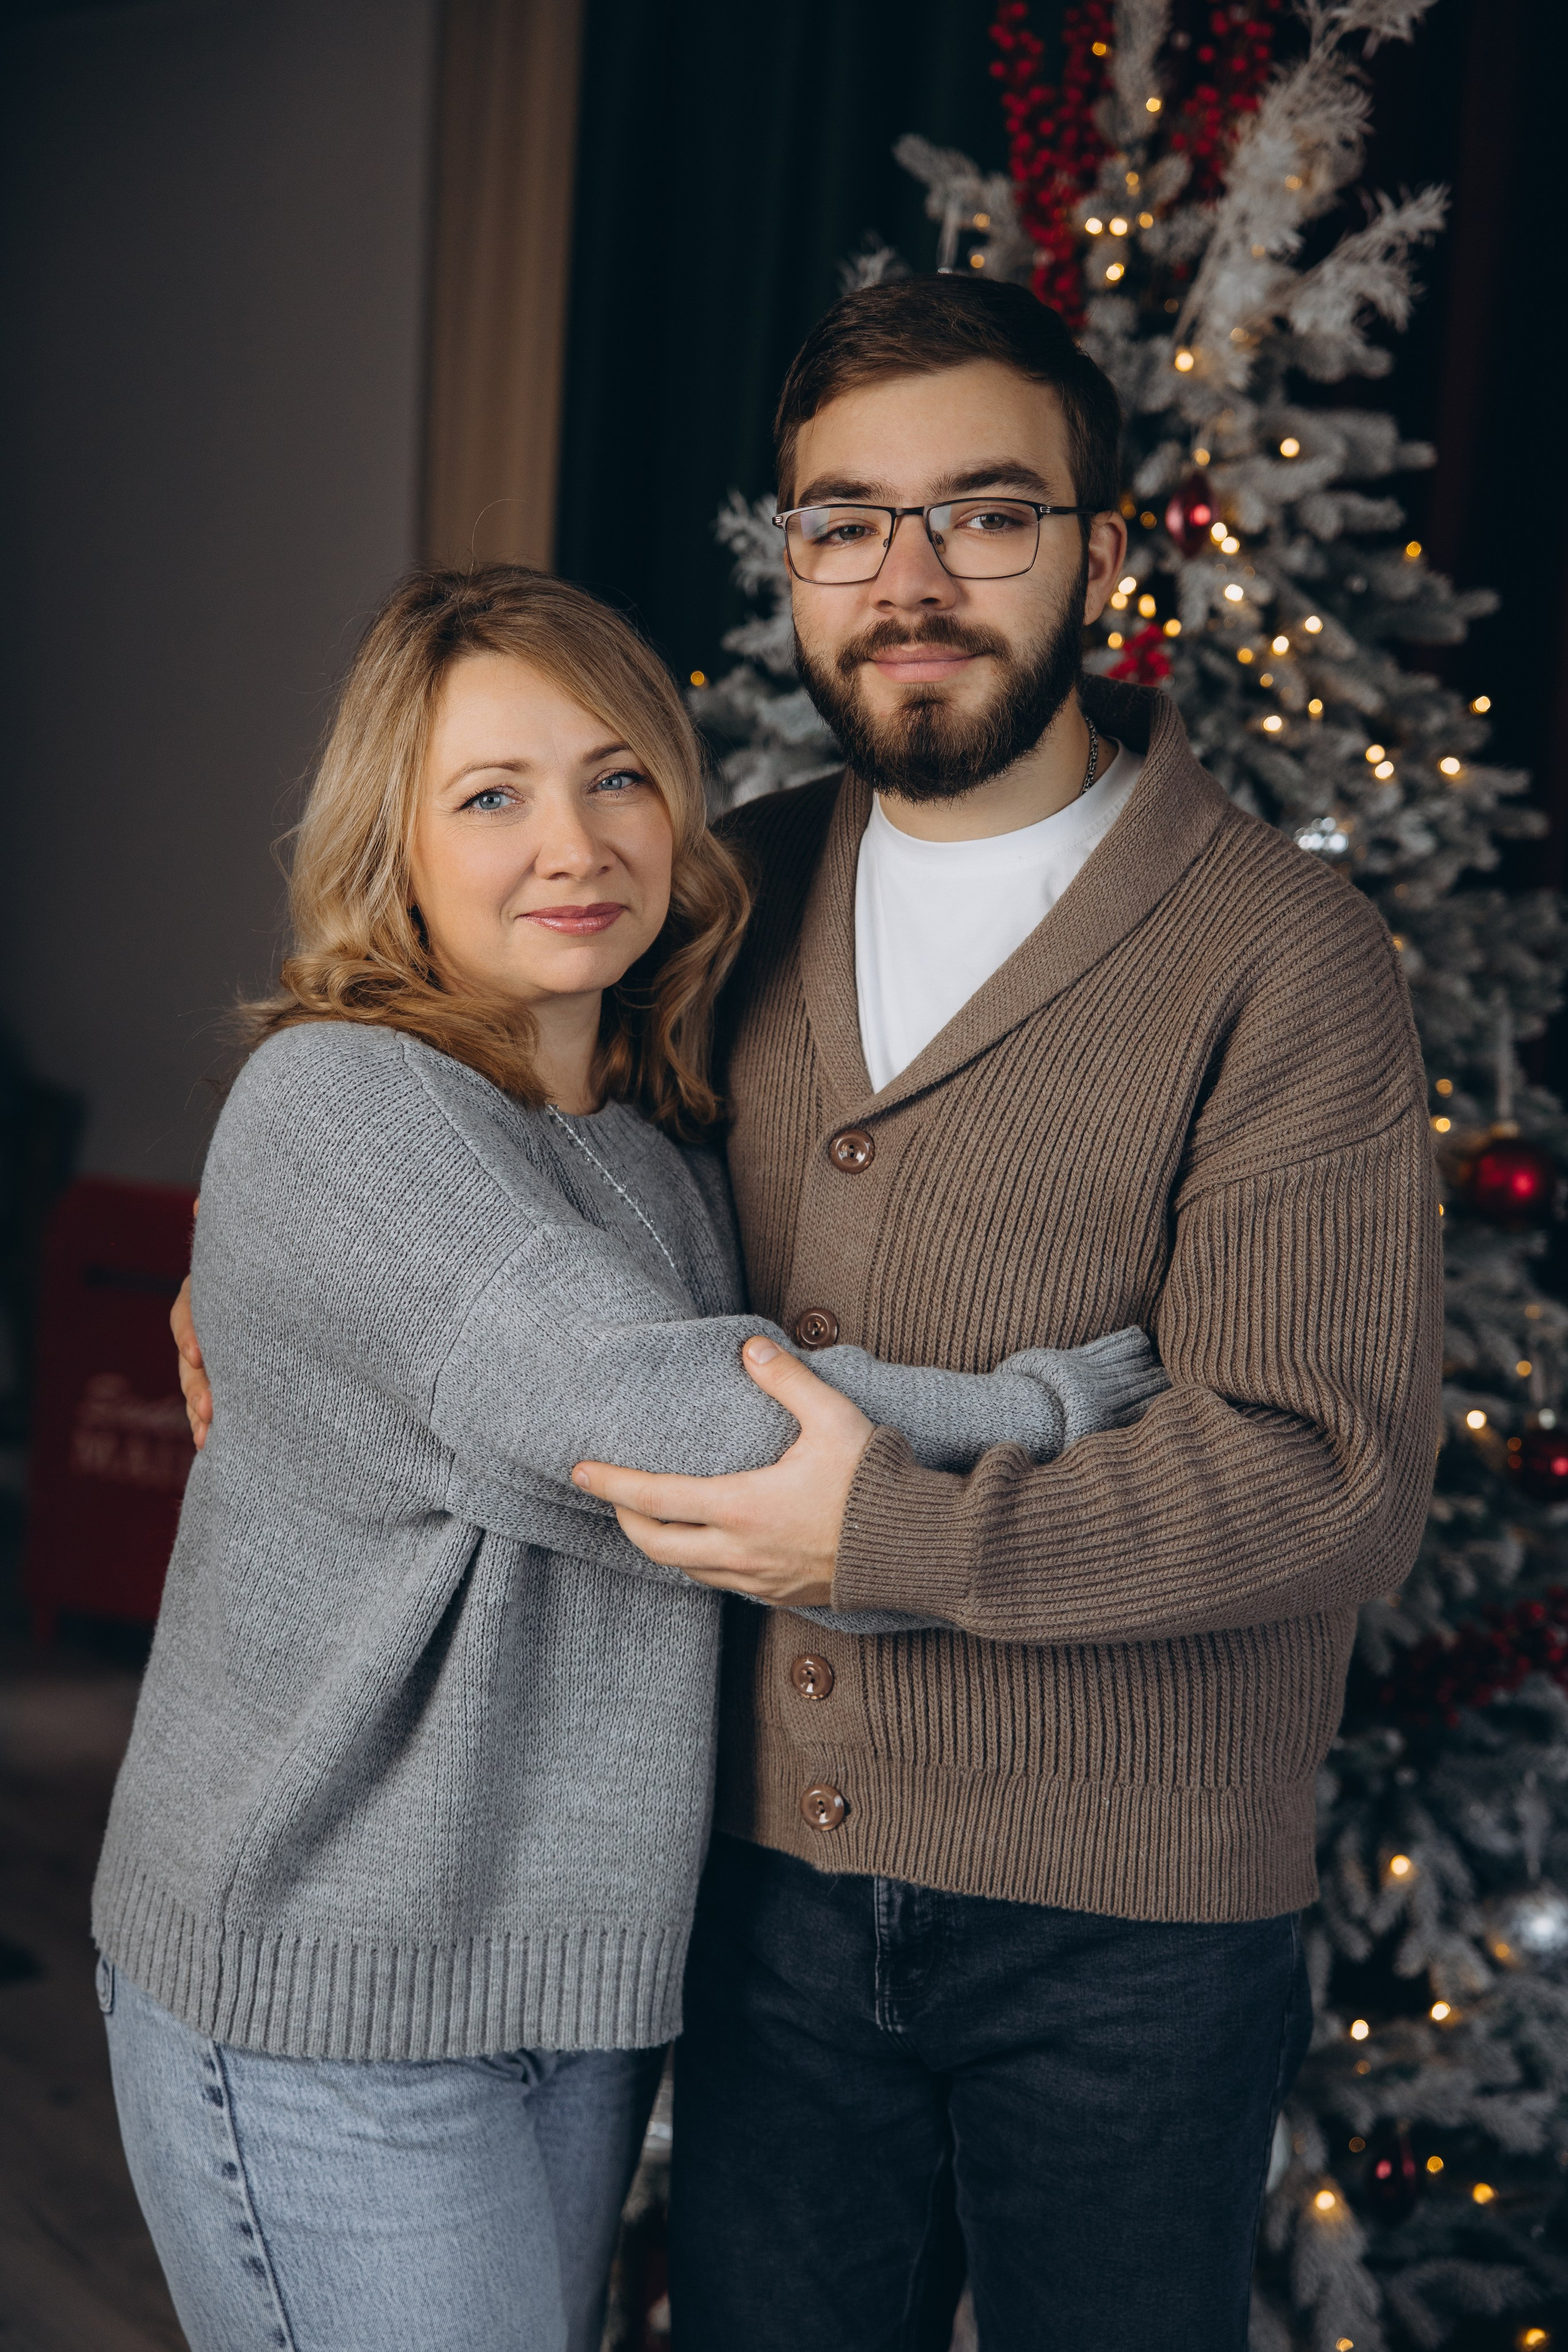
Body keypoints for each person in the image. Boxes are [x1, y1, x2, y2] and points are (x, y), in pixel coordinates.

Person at [113, 563, 1164, 2352]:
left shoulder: (656, 1157)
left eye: (618, 777)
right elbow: (689, 1431)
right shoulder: (340, 1105)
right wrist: (1078, 1404)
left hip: (555, 1995)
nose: (573, 842)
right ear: (397, 844)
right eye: (491, 796)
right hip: (328, 1995)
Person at [564, 276, 1443, 2348]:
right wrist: (269, 1305)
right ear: (791, 557)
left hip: (1131, 1931)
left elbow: (1326, 1479)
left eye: (986, 513)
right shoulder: (719, 893)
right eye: (845, 522)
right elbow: (478, 1149)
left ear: (1104, 552)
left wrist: (891, 1536)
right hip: (766, 1884)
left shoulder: (1284, 957)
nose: (912, 577)